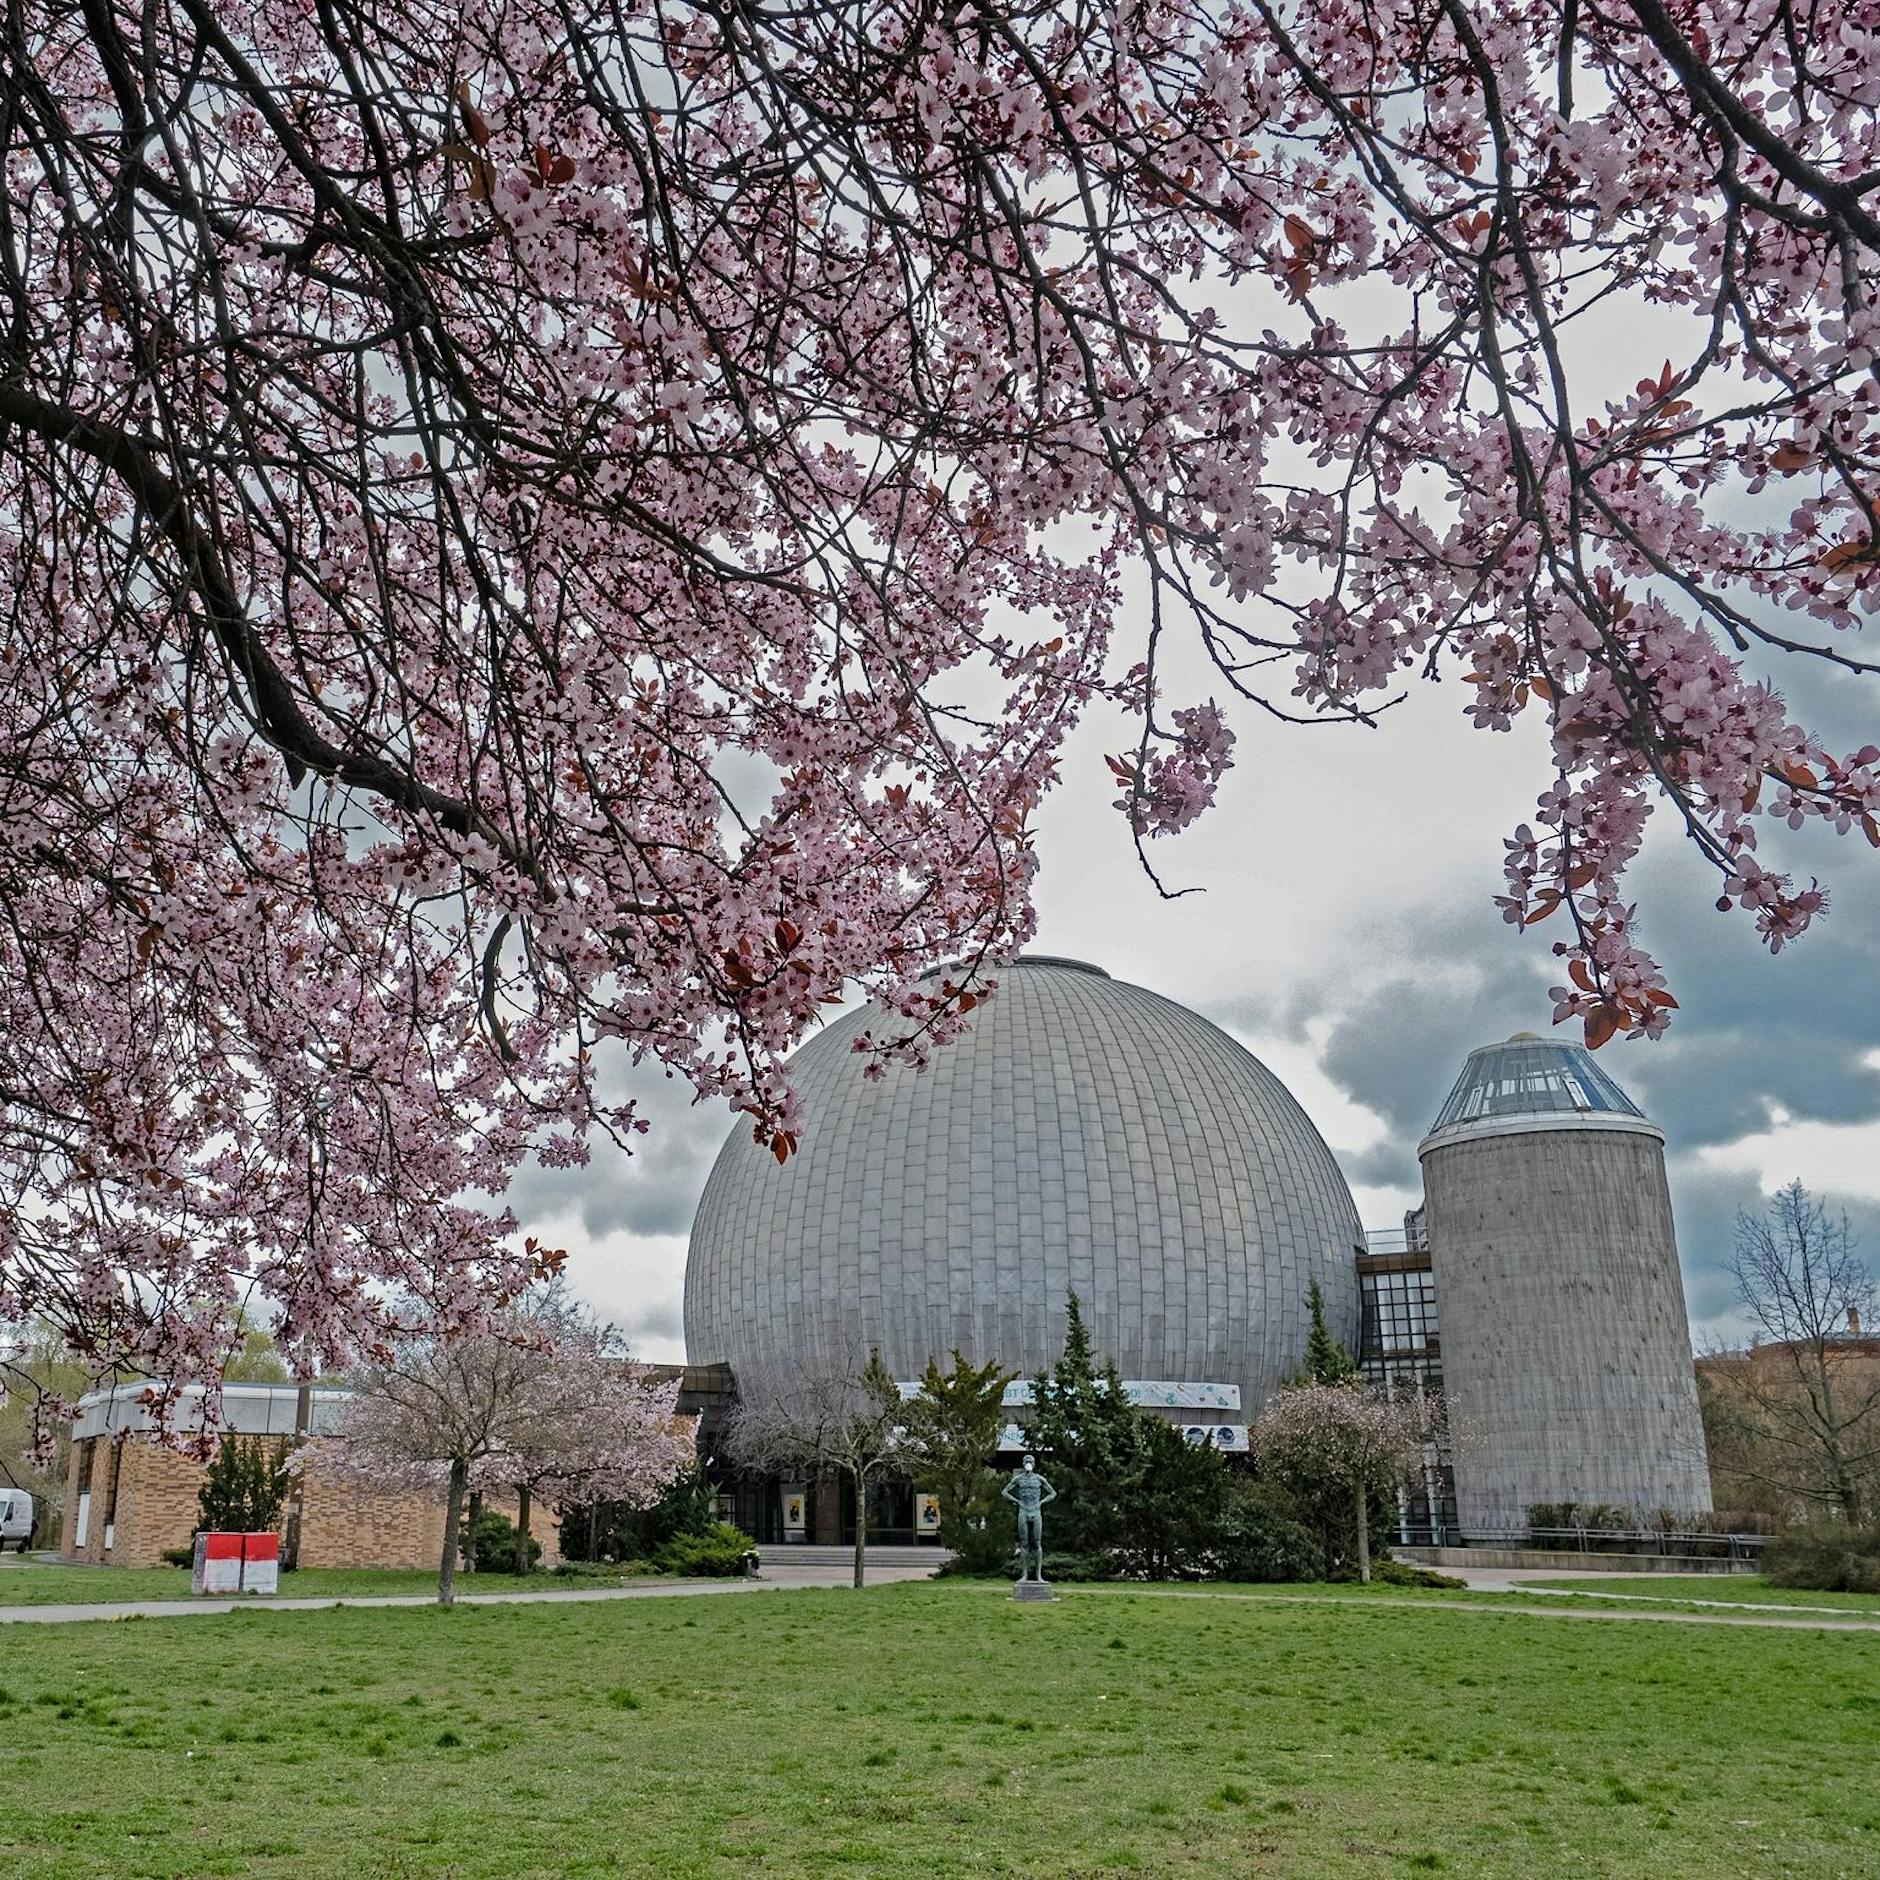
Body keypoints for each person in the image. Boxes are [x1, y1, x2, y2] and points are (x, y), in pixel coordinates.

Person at [1000, 1453, 1057, 1582]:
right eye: (1026, 1461)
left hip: (1036, 1511)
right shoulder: (1019, 1479)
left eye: (1030, 1461)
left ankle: (1038, 1576)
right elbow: (1004, 1492)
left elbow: (1053, 1493)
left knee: (1037, 1543)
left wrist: (1042, 1502)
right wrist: (1016, 1500)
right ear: (1023, 1464)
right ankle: (1024, 1575)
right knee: (1024, 1543)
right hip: (1023, 1510)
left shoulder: (1040, 1479)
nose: (1028, 1464)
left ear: (1034, 1464)